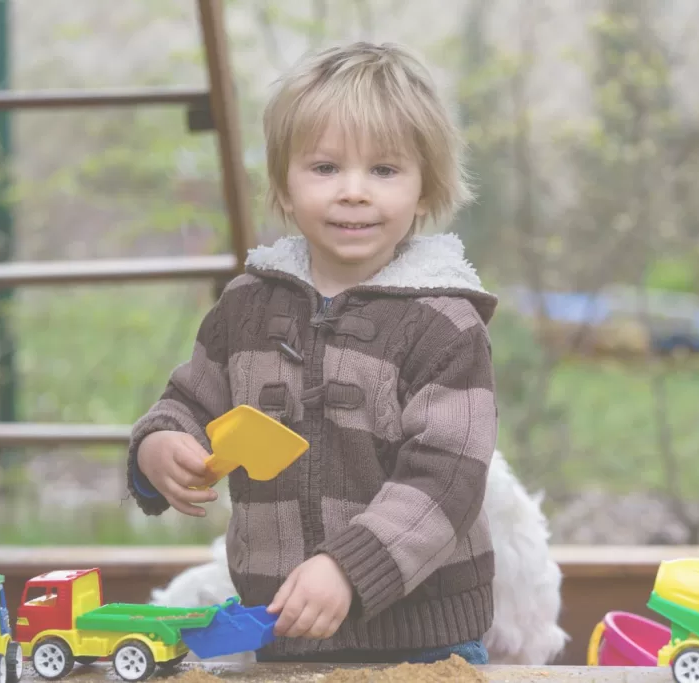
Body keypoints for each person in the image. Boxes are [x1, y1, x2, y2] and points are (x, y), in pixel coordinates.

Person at [126, 41, 499, 666]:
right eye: (325, 168)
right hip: (284, 628)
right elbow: (189, 400)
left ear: (425, 187)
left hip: (422, 641)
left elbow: (447, 479)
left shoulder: (444, 323)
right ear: (284, 185)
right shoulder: (246, 307)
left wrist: (349, 568)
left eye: (384, 170)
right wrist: (159, 445)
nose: (353, 192)